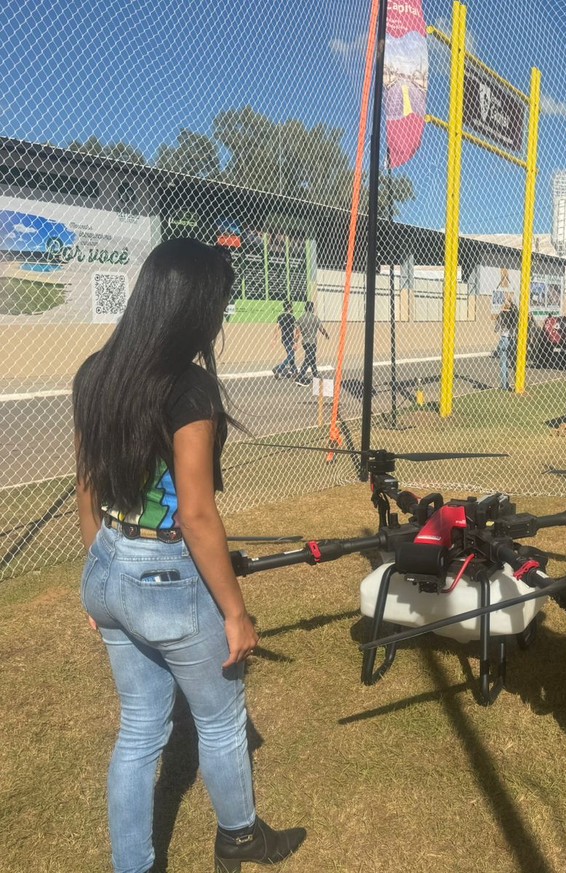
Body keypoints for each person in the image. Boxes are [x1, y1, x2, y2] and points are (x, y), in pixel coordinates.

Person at [72, 239, 306, 873]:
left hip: (110, 564)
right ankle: (240, 840)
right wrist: (235, 612)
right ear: (194, 308)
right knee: (222, 721)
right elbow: (196, 513)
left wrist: (104, 579)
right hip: (166, 574)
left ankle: (133, 865)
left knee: (141, 729)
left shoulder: (96, 371)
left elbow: (86, 486)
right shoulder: (191, 387)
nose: (222, 317)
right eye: (220, 303)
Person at [295, 299, 329, 386]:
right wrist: (326, 335)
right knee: (309, 358)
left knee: (312, 358)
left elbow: (297, 332)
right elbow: (321, 329)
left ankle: (315, 374)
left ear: (305, 308)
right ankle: (300, 377)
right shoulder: (315, 318)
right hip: (312, 342)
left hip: (305, 342)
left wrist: (295, 342)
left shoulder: (301, 318)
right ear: (312, 309)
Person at [494, 294, 519, 390]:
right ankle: (517, 383)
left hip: (503, 339)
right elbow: (516, 312)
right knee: (513, 363)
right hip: (512, 339)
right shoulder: (514, 316)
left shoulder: (501, 315)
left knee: (503, 364)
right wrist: (511, 301)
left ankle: (504, 385)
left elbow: (496, 329)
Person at [273, 299, 298, 380]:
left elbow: (276, 327)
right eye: (292, 307)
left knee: (292, 356)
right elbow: (298, 329)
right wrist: (295, 341)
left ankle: (295, 371)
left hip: (284, 339)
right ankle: (279, 370)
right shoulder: (292, 317)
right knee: (290, 356)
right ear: (290, 307)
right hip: (290, 339)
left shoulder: (280, 316)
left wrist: (274, 339)